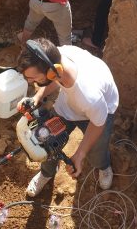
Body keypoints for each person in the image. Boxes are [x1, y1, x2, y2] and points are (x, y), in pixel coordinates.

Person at [16, 37, 119, 197]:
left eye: (34, 78)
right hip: (70, 104)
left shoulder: (88, 95)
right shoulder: (57, 57)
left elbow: (98, 124)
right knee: (45, 140)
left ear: (53, 72)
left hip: (100, 112)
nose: (31, 82)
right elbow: (54, 80)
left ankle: (103, 166)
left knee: (96, 151)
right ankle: (47, 173)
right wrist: (37, 97)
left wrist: (79, 154)